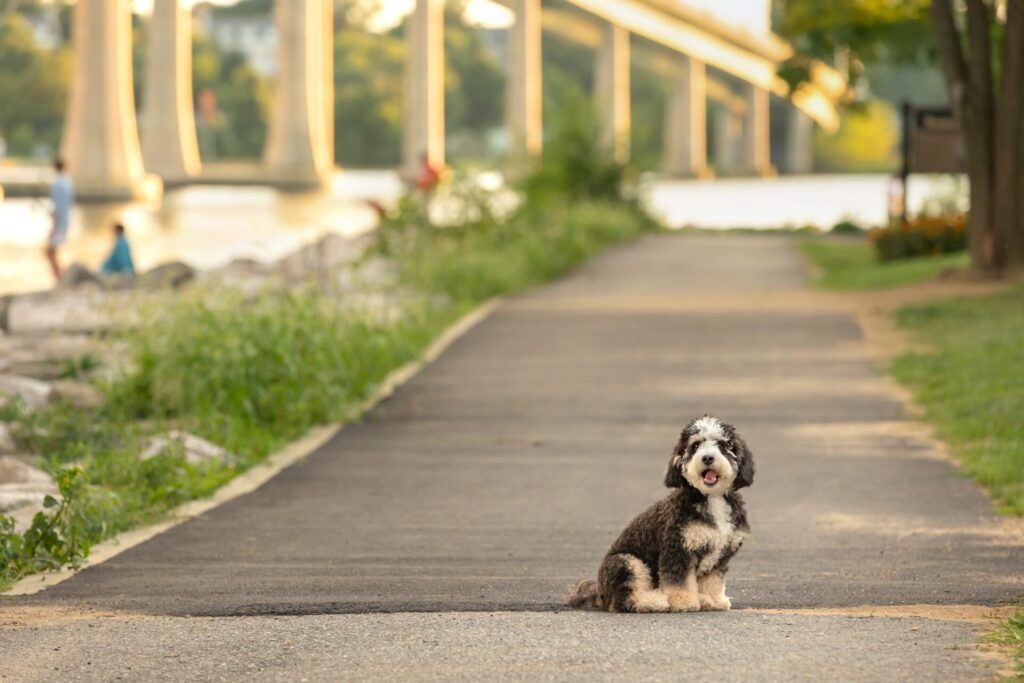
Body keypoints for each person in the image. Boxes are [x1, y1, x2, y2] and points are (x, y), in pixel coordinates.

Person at [46, 158, 74, 281]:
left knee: (49, 252)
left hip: (59, 222)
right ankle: (60, 277)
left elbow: (58, 207)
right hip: (66, 220)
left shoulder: (58, 184)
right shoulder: (68, 182)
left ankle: (59, 278)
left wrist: (53, 225)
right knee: (53, 252)